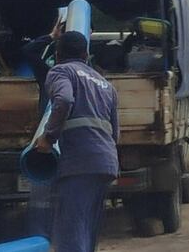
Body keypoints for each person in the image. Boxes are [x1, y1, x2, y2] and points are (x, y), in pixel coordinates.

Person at [33, 31, 119, 252]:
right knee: (87, 229)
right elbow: (115, 132)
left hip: (81, 161)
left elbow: (63, 99)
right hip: (106, 162)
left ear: (57, 54)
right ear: (86, 54)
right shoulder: (105, 84)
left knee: (71, 231)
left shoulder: (61, 71)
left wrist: (48, 137)